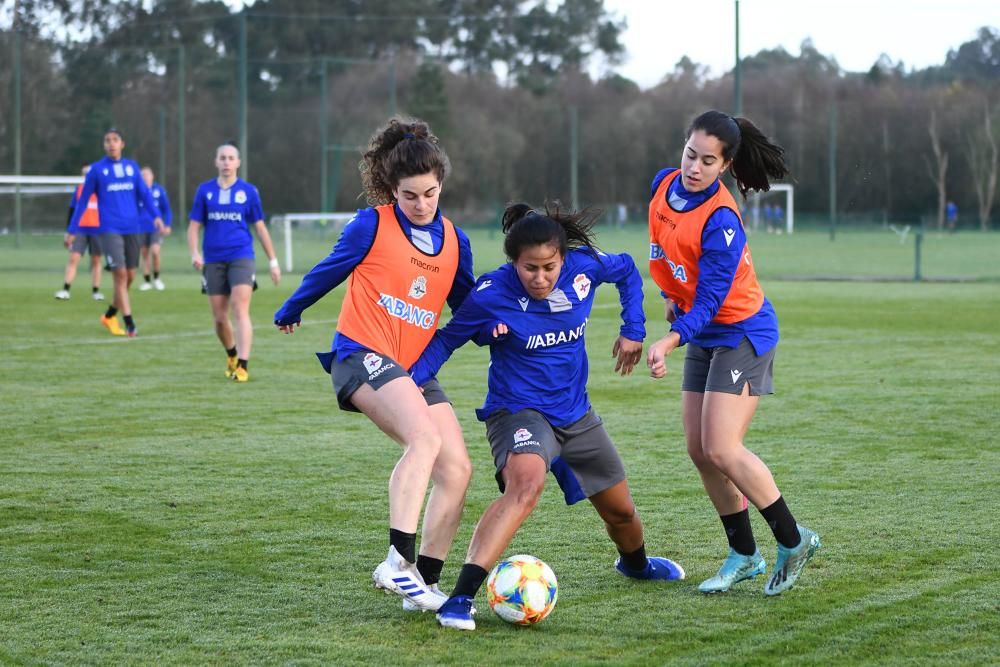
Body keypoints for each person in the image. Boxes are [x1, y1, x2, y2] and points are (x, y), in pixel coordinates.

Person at [410, 203, 686, 632]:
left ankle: (635, 565)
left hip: (576, 414)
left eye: (549, 267)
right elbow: (446, 342)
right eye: (529, 268)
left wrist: (633, 328)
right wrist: (407, 384)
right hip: (517, 411)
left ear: (563, 257)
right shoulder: (491, 293)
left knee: (622, 515)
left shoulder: (584, 269)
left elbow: (628, 270)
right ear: (513, 263)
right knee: (525, 486)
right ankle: (461, 598)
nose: (540, 278)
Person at [273, 118, 475, 614]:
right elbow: (329, 269)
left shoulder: (456, 240)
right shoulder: (371, 225)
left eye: (429, 193)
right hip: (359, 355)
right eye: (410, 195)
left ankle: (423, 584)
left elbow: (467, 303)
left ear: (441, 185)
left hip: (413, 369)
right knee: (423, 439)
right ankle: (395, 563)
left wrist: (502, 324)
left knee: (456, 469)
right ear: (391, 190)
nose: (421, 204)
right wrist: (292, 308)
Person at [645, 110, 820, 597]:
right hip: (703, 332)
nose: (693, 167)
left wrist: (671, 337)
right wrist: (668, 297)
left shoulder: (722, 220)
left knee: (722, 446)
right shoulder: (663, 185)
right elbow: (669, 253)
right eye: (689, 153)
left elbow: (711, 300)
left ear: (724, 166)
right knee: (701, 451)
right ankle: (744, 555)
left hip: (742, 331)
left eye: (707, 161)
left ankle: (794, 539)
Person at [188, 142, 280, 383]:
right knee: (219, 318)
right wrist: (194, 253)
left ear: (238, 162)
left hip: (242, 256)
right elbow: (194, 226)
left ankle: (243, 365)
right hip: (213, 259)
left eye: (231, 158)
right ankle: (231, 354)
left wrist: (273, 261)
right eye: (223, 158)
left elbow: (260, 228)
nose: (227, 162)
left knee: (240, 308)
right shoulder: (204, 191)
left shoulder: (249, 191)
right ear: (216, 162)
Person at [66, 128, 165, 337]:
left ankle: (110, 313)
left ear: (122, 144)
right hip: (109, 229)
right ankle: (129, 322)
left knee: (130, 275)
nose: (111, 143)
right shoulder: (97, 170)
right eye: (107, 140)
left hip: (132, 228)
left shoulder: (132, 167)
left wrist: (156, 215)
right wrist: (72, 229)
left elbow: (144, 194)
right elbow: (83, 202)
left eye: (115, 140)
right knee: (119, 274)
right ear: (104, 145)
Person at [55, 163, 104, 301]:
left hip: (97, 229)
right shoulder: (80, 190)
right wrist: (69, 231)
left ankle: (96, 292)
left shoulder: (102, 191)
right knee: (73, 258)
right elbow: (72, 211)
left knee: (96, 260)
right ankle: (65, 290)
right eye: (85, 174)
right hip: (80, 229)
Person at [138, 166, 173, 291]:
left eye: (147, 174)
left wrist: (167, 224)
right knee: (144, 254)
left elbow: (167, 210)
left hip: (156, 227)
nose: (145, 177)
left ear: (152, 176)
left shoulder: (159, 190)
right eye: (142, 175)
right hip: (140, 228)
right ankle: (147, 281)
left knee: (155, 251)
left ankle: (157, 279)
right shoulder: (137, 192)